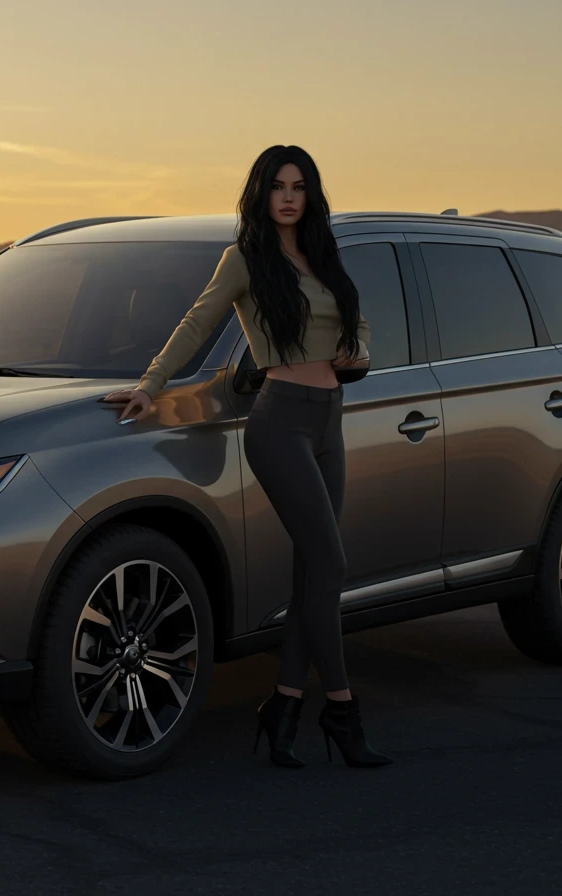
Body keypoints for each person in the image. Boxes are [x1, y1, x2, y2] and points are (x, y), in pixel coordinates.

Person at [102, 144, 392, 769]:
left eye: (299, 186)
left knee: (312, 573)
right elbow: (196, 323)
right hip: (280, 421)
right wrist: (151, 385)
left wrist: (358, 355)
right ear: (260, 194)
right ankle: (341, 711)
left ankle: (283, 706)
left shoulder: (325, 256)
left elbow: (360, 325)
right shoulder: (244, 260)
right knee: (331, 564)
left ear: (311, 195)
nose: (289, 197)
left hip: (329, 420)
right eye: (277, 186)